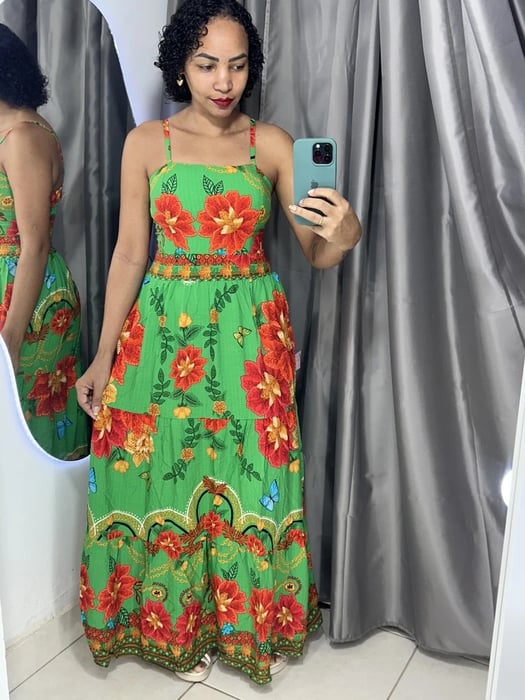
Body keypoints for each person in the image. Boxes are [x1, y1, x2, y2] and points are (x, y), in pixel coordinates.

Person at [76, 0, 361, 686]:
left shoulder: (273, 145)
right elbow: (129, 253)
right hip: (161, 329)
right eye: (207, 65)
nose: (223, 81)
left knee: (250, 474)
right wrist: (103, 354)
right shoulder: (147, 143)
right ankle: (174, 626)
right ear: (181, 66)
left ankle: (249, 622)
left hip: (248, 336)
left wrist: (344, 234)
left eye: (236, 65)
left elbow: (315, 254)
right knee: (160, 469)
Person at [0, 24, 88, 460]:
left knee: (31, 434)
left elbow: (33, 244)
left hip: (27, 297)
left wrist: (11, 340)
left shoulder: (22, 137)